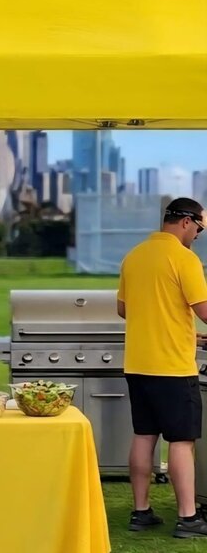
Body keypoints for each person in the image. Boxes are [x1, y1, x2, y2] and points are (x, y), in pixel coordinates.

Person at [118, 197, 207, 538]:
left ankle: (141, 512)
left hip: (139, 365)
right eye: (199, 228)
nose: (198, 235)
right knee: (181, 442)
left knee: (143, 436)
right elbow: (204, 310)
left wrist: (184, 332)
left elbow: (125, 309)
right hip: (172, 368)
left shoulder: (135, 256)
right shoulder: (184, 259)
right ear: (186, 222)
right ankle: (188, 518)